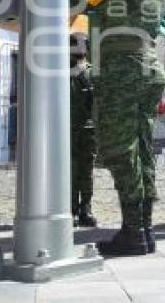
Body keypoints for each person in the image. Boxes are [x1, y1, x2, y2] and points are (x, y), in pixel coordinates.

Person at [86, 0, 165, 256]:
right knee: (143, 146)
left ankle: (133, 232)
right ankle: (145, 229)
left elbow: (94, 8)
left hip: (122, 64)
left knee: (120, 148)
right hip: (148, 64)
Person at [70, 32, 97, 228]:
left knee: (86, 171)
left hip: (88, 129)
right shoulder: (61, 72)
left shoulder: (92, 73)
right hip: (66, 130)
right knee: (69, 171)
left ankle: (85, 208)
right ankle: (70, 209)